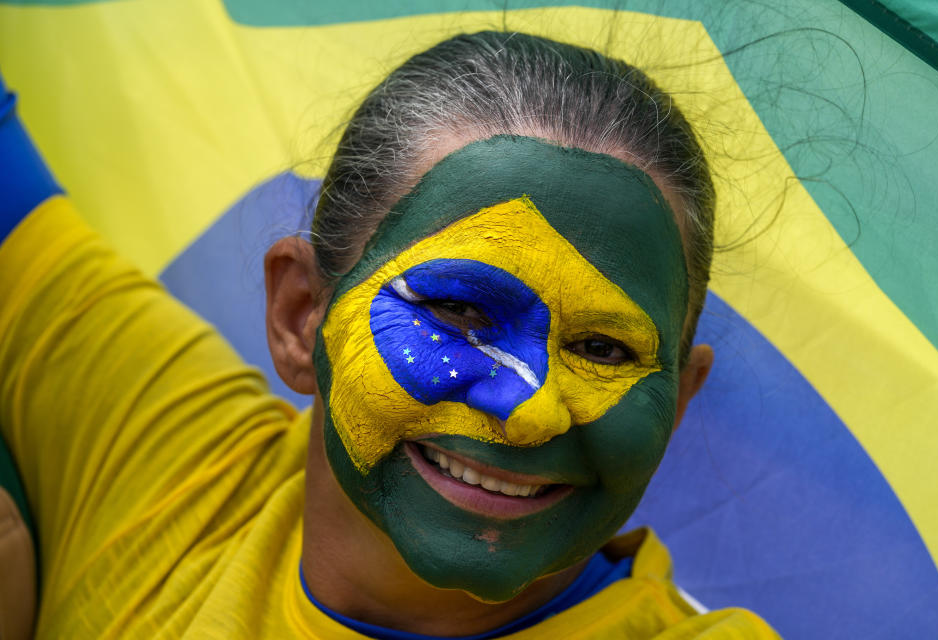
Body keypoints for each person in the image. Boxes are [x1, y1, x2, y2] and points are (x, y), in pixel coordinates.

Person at [0, 31, 781, 638]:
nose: (531, 408)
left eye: (603, 349)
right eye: (460, 312)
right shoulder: (161, 456)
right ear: (301, 315)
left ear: (678, 399)